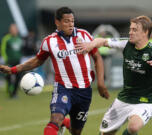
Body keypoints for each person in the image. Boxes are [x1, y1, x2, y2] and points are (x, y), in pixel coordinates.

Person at [0, 7, 109, 135]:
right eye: (67, 21)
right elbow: (37, 60)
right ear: (57, 22)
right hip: (63, 88)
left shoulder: (84, 35)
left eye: (72, 21)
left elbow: (97, 58)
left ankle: (67, 123)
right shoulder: (49, 41)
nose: (70, 24)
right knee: (55, 120)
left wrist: (101, 83)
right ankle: (60, 122)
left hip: (84, 91)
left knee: (76, 131)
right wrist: (13, 69)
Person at [75, 15, 152, 135]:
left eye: (134, 30)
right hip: (123, 99)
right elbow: (103, 41)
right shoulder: (126, 44)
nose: (130, 32)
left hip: (145, 101)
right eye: (130, 29)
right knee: (106, 133)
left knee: (133, 127)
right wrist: (91, 44)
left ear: (145, 32)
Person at [0, 23, 23, 98]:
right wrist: (5, 59)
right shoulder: (6, 38)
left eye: (15, 29)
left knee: (18, 77)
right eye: (12, 29)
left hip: (18, 61)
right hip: (9, 61)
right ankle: (10, 91)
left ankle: (14, 93)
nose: (14, 31)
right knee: (9, 77)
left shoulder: (19, 38)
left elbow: (21, 50)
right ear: (10, 30)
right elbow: (3, 49)